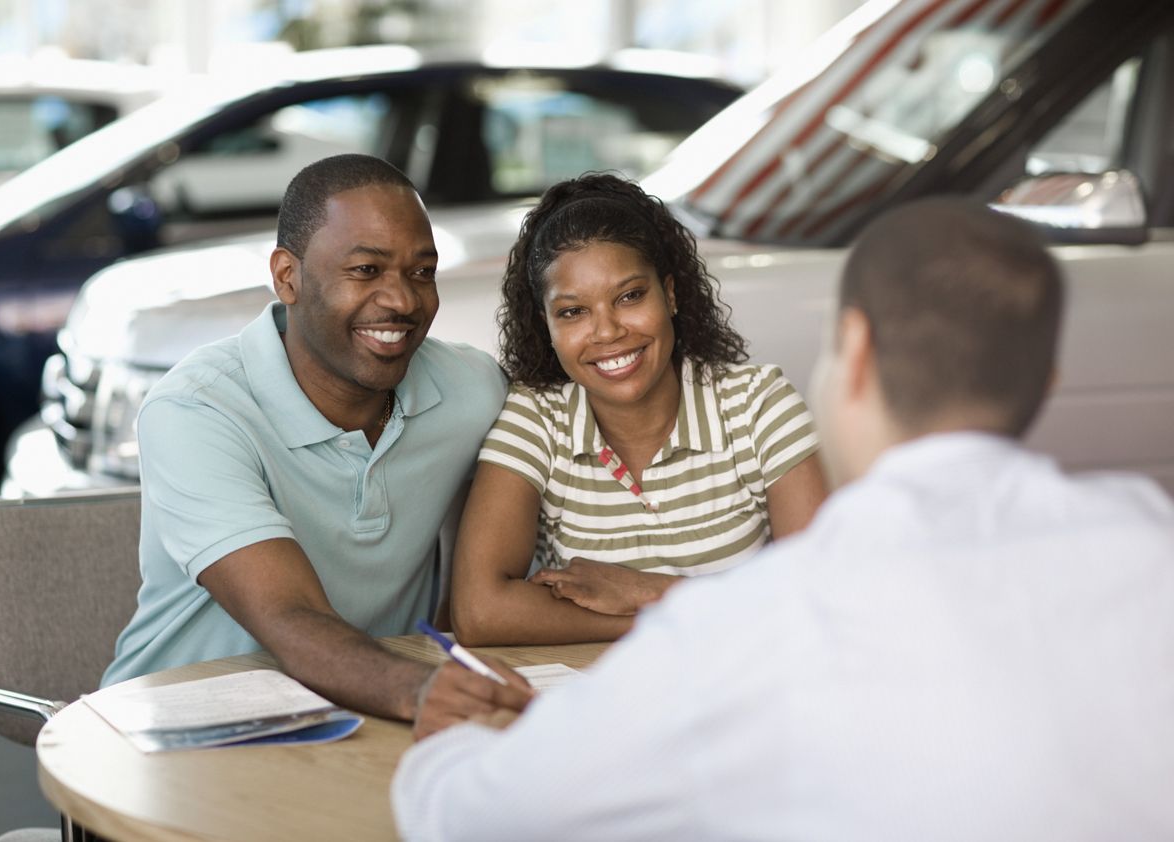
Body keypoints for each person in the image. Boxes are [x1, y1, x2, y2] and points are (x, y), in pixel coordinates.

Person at [392, 197, 1174, 840]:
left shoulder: (759, 625)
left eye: (629, 296)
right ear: (1047, 377)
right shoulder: (1151, 545)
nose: (607, 328)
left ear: (855, 353)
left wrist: (446, 746)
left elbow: (473, 816)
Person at [102, 154, 532, 737]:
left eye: (421, 272)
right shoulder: (197, 411)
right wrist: (423, 688)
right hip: (183, 732)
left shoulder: (470, 390)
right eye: (365, 270)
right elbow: (289, 615)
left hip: (366, 718)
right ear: (288, 277)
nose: (402, 301)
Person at [449, 173, 827, 646]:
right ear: (545, 325)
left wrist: (644, 590)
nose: (607, 332)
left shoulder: (757, 405)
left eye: (629, 297)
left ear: (669, 294)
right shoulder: (539, 418)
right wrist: (659, 624)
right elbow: (479, 612)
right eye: (573, 312)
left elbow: (822, 597)